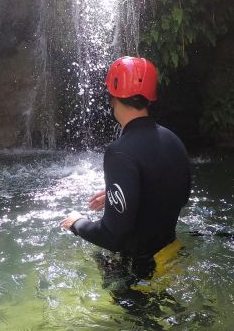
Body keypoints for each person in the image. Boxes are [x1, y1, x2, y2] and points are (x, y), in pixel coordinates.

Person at [60, 56, 191, 283]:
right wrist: (120, 195)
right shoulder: (173, 140)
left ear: (112, 99)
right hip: (173, 255)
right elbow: (179, 196)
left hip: (139, 276)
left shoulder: (119, 152)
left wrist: (77, 223)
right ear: (149, 97)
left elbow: (113, 237)